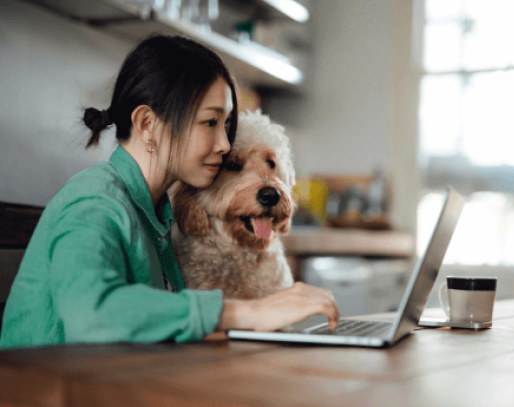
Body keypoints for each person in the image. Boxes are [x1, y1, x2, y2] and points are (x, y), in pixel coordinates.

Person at [0, 34, 339, 349]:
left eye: (226, 125)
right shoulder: (94, 202)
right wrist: (245, 313)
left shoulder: (156, 213)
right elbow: (90, 312)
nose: (223, 144)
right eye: (210, 122)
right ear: (147, 124)